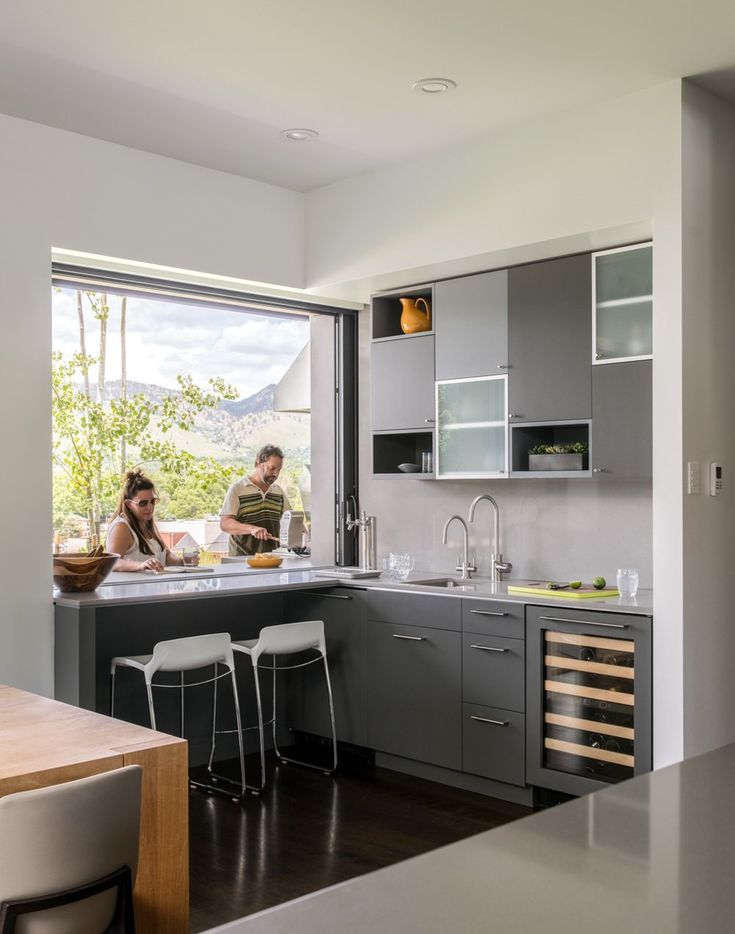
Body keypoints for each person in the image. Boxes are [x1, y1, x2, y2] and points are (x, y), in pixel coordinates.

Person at [107, 469, 189, 572]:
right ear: (129, 504)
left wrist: (182, 561)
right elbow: (113, 562)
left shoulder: (147, 523)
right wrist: (141, 565)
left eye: (152, 501)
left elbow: (166, 555)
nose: (149, 507)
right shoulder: (121, 527)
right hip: (133, 587)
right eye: (143, 503)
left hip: (154, 587)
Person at [220, 444, 291, 556]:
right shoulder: (237, 489)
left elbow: (291, 521)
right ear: (258, 463)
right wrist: (251, 529)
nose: (276, 474)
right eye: (272, 468)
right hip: (242, 559)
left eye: (279, 470)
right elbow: (225, 524)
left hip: (272, 559)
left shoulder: (278, 492)